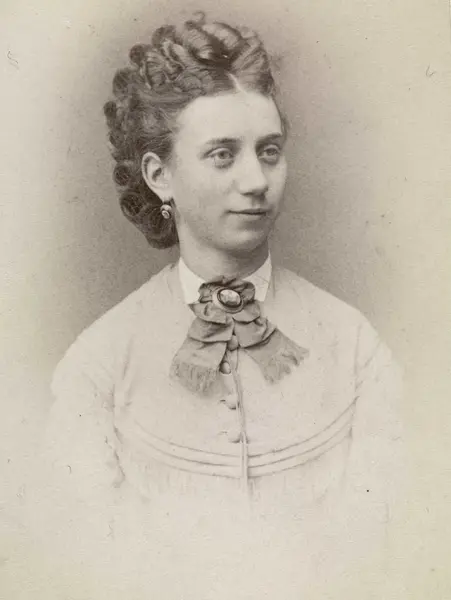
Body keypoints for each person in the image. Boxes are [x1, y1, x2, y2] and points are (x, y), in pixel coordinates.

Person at [40, 13, 403, 600]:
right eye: (222, 154)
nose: (256, 180)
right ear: (159, 175)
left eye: (269, 151)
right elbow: (87, 567)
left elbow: (384, 556)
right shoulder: (98, 365)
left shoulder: (355, 347)